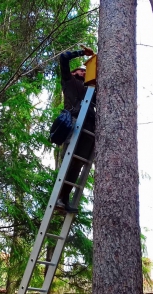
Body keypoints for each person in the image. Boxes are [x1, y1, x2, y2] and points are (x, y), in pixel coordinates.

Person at [56, 47, 96, 213]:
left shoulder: (91, 90)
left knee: (78, 164)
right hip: (74, 123)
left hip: (89, 128)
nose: (84, 72)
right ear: (74, 73)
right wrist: (82, 53)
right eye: (81, 70)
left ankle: (64, 199)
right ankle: (59, 198)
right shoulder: (68, 81)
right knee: (70, 161)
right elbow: (63, 57)